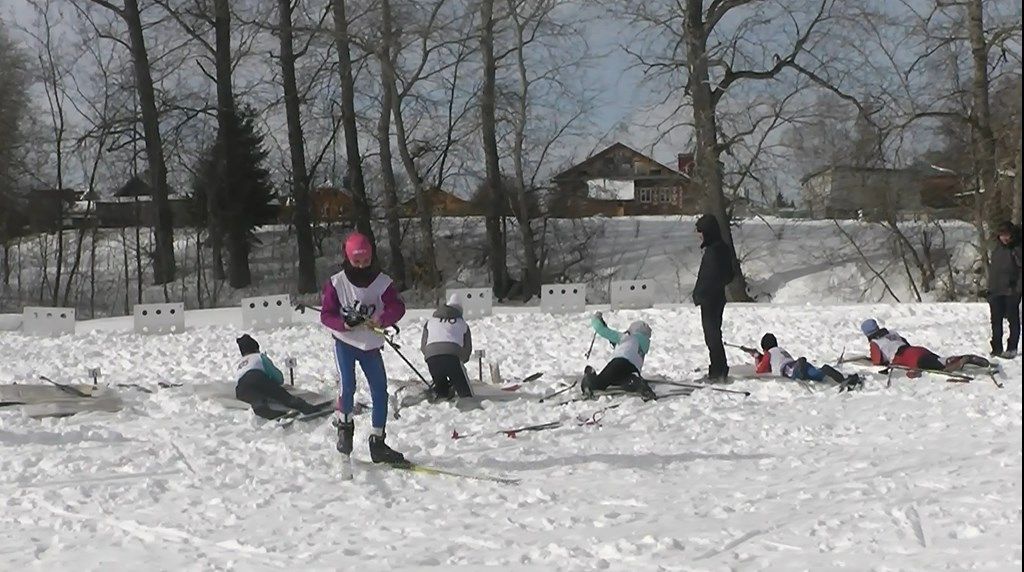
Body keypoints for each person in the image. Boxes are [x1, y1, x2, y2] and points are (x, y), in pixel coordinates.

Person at [320, 232, 407, 464]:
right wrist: (344, 324)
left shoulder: (382, 282)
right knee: (348, 385)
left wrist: (383, 319)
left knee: (380, 391)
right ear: (347, 259)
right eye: (356, 262)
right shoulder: (337, 283)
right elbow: (326, 315)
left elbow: (397, 307)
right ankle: (345, 428)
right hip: (345, 342)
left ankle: (378, 441)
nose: (361, 266)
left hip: (370, 345)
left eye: (365, 261)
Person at [234, 334, 322, 419]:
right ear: (256, 348)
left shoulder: (239, 364)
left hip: (241, 387)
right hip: (257, 378)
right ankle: (305, 408)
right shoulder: (259, 357)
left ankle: (260, 406)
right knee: (284, 397)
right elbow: (277, 376)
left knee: (254, 397)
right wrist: (275, 384)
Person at [859, 318, 990, 374]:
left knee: (937, 367)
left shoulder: (875, 342)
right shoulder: (891, 333)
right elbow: (905, 342)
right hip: (916, 349)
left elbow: (878, 362)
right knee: (936, 359)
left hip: (905, 357)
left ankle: (953, 364)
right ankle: (961, 358)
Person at [692, 213, 735, 382]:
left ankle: (718, 371)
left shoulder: (715, 251)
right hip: (716, 297)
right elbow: (728, 275)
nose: (699, 236)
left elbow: (710, 277)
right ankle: (718, 368)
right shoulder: (720, 248)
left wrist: (700, 294)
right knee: (713, 334)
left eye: (701, 232)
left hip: (711, 299)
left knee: (712, 336)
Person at [580, 312, 657, 400]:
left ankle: (589, 381)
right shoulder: (642, 345)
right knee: (628, 381)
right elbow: (617, 343)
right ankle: (637, 384)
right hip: (633, 368)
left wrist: (596, 319)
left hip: (619, 363)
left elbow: (602, 330)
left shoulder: (626, 337)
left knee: (600, 383)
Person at [746, 333, 861, 388]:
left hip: (789, 369)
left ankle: (799, 370)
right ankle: (837, 377)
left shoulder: (769, 354)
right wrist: (759, 356)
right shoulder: (780, 350)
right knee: (815, 373)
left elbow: (761, 370)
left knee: (795, 373)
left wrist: (757, 357)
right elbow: (769, 360)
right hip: (797, 363)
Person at [421, 294, 473, 399]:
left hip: (432, 357)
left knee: (442, 392)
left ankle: (441, 392)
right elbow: (467, 350)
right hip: (452, 357)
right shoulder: (462, 324)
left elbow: (423, 346)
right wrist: (461, 362)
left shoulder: (430, 322)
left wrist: (432, 355)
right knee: (466, 395)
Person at [988, 221, 1022, 358]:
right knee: (996, 320)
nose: (1005, 238)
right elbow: (994, 270)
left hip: (1011, 291)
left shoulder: (1017, 249)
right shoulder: (997, 249)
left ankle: (1012, 347)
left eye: (1007, 235)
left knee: (1012, 320)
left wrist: (1018, 288)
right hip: (996, 290)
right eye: (1002, 235)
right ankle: (996, 348)